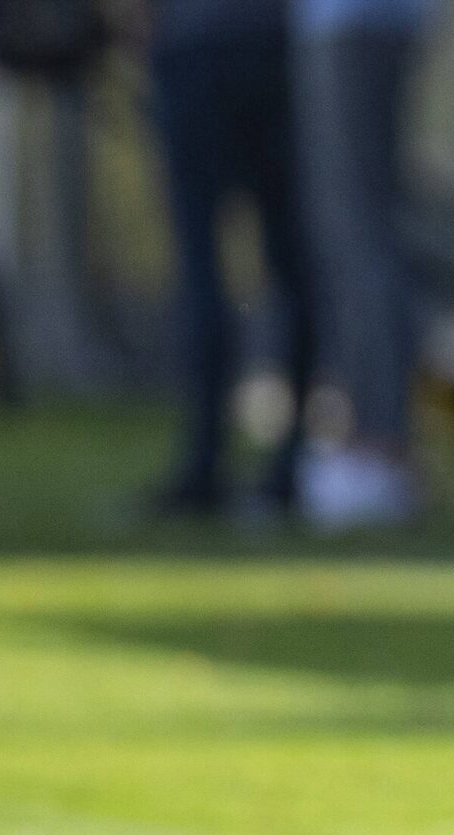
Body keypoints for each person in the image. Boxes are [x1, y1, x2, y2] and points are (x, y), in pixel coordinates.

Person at [140, 0, 313, 517]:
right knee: (290, 264)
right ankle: (291, 459)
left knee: (205, 265)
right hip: (273, 44)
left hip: (196, 43)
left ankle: (205, 462)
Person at [292, 0, 433, 529]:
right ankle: (372, 444)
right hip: (358, 21)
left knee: (358, 232)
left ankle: (379, 450)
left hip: (354, 19)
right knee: (357, 231)